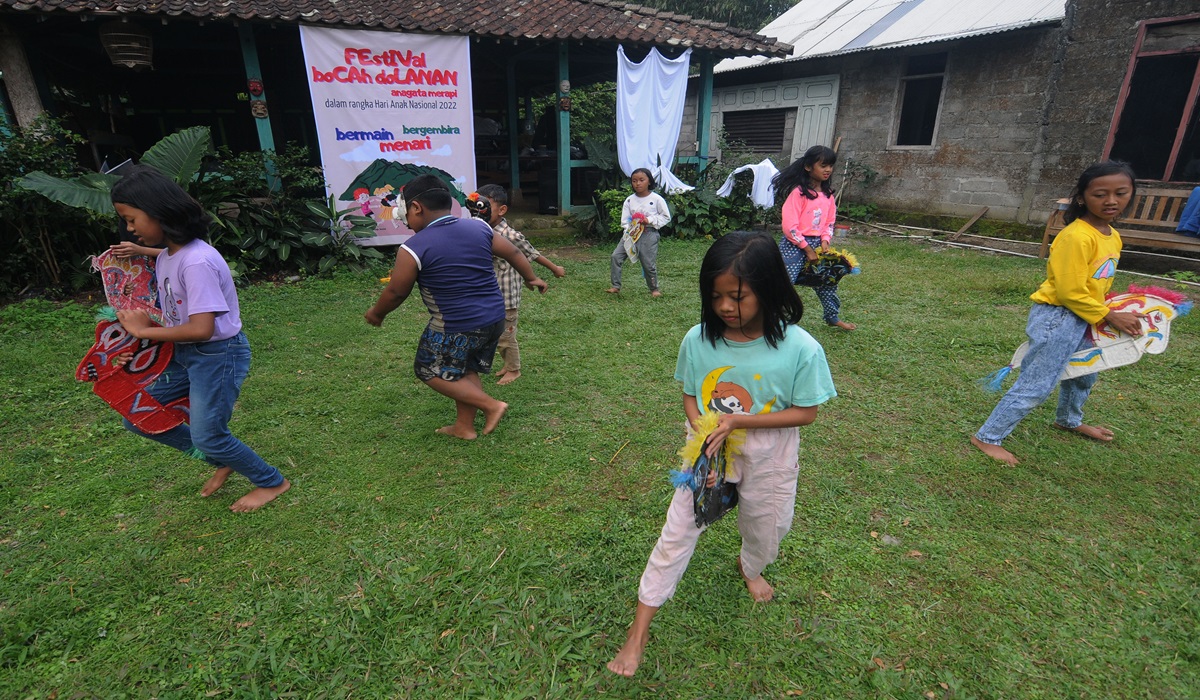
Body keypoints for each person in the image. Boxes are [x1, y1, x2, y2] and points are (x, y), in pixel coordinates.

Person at [607, 230, 837, 677]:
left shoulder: (801, 348)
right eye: (716, 296)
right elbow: (691, 395)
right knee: (677, 531)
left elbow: (806, 413)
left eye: (737, 296)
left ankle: (750, 566)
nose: (726, 307)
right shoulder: (698, 339)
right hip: (709, 449)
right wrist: (702, 432)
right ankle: (638, 632)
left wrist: (739, 421)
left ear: (768, 289)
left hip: (770, 452)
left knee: (767, 528)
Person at [107, 165, 291, 512]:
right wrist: (140, 251)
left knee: (209, 435)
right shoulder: (171, 253)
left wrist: (143, 331)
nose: (129, 228)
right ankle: (222, 459)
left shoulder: (197, 263)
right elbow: (169, 262)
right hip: (185, 353)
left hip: (216, 355)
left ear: (159, 213)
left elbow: (202, 329)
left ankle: (272, 481)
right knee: (138, 416)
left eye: (131, 220)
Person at [970, 161, 1146, 466]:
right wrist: (1108, 314)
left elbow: (1095, 283)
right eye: (1100, 194)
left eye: (1121, 193)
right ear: (1082, 197)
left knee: (1084, 375)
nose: (1111, 201)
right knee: (1038, 382)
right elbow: (1068, 291)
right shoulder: (1076, 236)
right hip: (1059, 318)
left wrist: (1110, 309)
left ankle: (1068, 420)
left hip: (1088, 316)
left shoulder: (1111, 235)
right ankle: (987, 436)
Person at [365, 175, 549, 439]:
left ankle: (491, 405)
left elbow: (396, 291)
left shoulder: (412, 247)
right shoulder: (479, 228)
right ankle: (464, 427)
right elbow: (513, 253)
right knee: (464, 368)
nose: (406, 223)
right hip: (494, 317)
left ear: (416, 208)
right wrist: (531, 277)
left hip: (456, 325)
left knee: (427, 368)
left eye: (405, 216)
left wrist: (377, 313)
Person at [476, 184, 566, 385]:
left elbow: (532, 254)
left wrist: (554, 268)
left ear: (502, 210)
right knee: (495, 333)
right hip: (490, 294)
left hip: (506, 295)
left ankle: (514, 369)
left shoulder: (510, 235)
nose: (481, 211)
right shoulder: (481, 231)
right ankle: (507, 364)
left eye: (487, 206)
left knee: (506, 336)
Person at [772, 145, 856, 330]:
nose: (828, 170)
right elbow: (789, 227)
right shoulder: (798, 194)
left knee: (827, 281)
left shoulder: (828, 196)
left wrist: (825, 240)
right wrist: (807, 249)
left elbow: (829, 223)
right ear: (808, 167)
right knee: (784, 283)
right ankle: (774, 319)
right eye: (823, 165)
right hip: (794, 245)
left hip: (818, 244)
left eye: (830, 166)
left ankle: (832, 317)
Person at [607, 168, 671, 297]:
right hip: (630, 234)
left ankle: (654, 289)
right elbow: (625, 220)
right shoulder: (629, 200)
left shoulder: (657, 199)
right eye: (634, 181)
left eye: (642, 180)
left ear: (649, 181)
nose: (638, 183)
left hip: (649, 233)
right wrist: (630, 229)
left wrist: (649, 220)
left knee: (648, 263)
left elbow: (666, 217)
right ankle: (615, 286)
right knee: (616, 256)